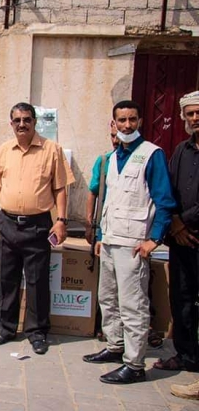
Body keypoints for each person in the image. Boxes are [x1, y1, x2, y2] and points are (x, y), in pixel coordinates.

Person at [82, 100, 175, 384]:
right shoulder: (111, 158)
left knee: (132, 304)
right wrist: (100, 236)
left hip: (133, 244)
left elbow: (164, 200)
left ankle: (134, 364)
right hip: (110, 240)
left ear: (140, 121)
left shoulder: (151, 155)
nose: (127, 125)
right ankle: (115, 345)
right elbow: (107, 202)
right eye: (121, 120)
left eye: (132, 119)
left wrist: (154, 239)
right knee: (107, 298)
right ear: (114, 123)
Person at [0, 102, 74, 355]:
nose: (22, 124)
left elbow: (60, 188)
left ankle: (36, 332)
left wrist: (61, 220)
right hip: (7, 223)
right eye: (17, 120)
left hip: (37, 225)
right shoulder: (3, 151)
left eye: (27, 119)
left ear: (35, 122)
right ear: (11, 124)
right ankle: (6, 328)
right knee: (7, 279)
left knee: (37, 282)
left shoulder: (51, 150)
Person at [154, 91, 199, 400]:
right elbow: (167, 189)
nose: (195, 118)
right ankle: (186, 355)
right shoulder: (181, 150)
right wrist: (174, 223)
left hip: (193, 232)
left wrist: (183, 222)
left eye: (198, 113)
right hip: (180, 238)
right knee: (181, 296)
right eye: (190, 113)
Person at [85, 121, 120, 244]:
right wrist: (89, 224)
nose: (115, 141)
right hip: (104, 227)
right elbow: (93, 193)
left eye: (119, 136)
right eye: (112, 136)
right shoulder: (104, 161)